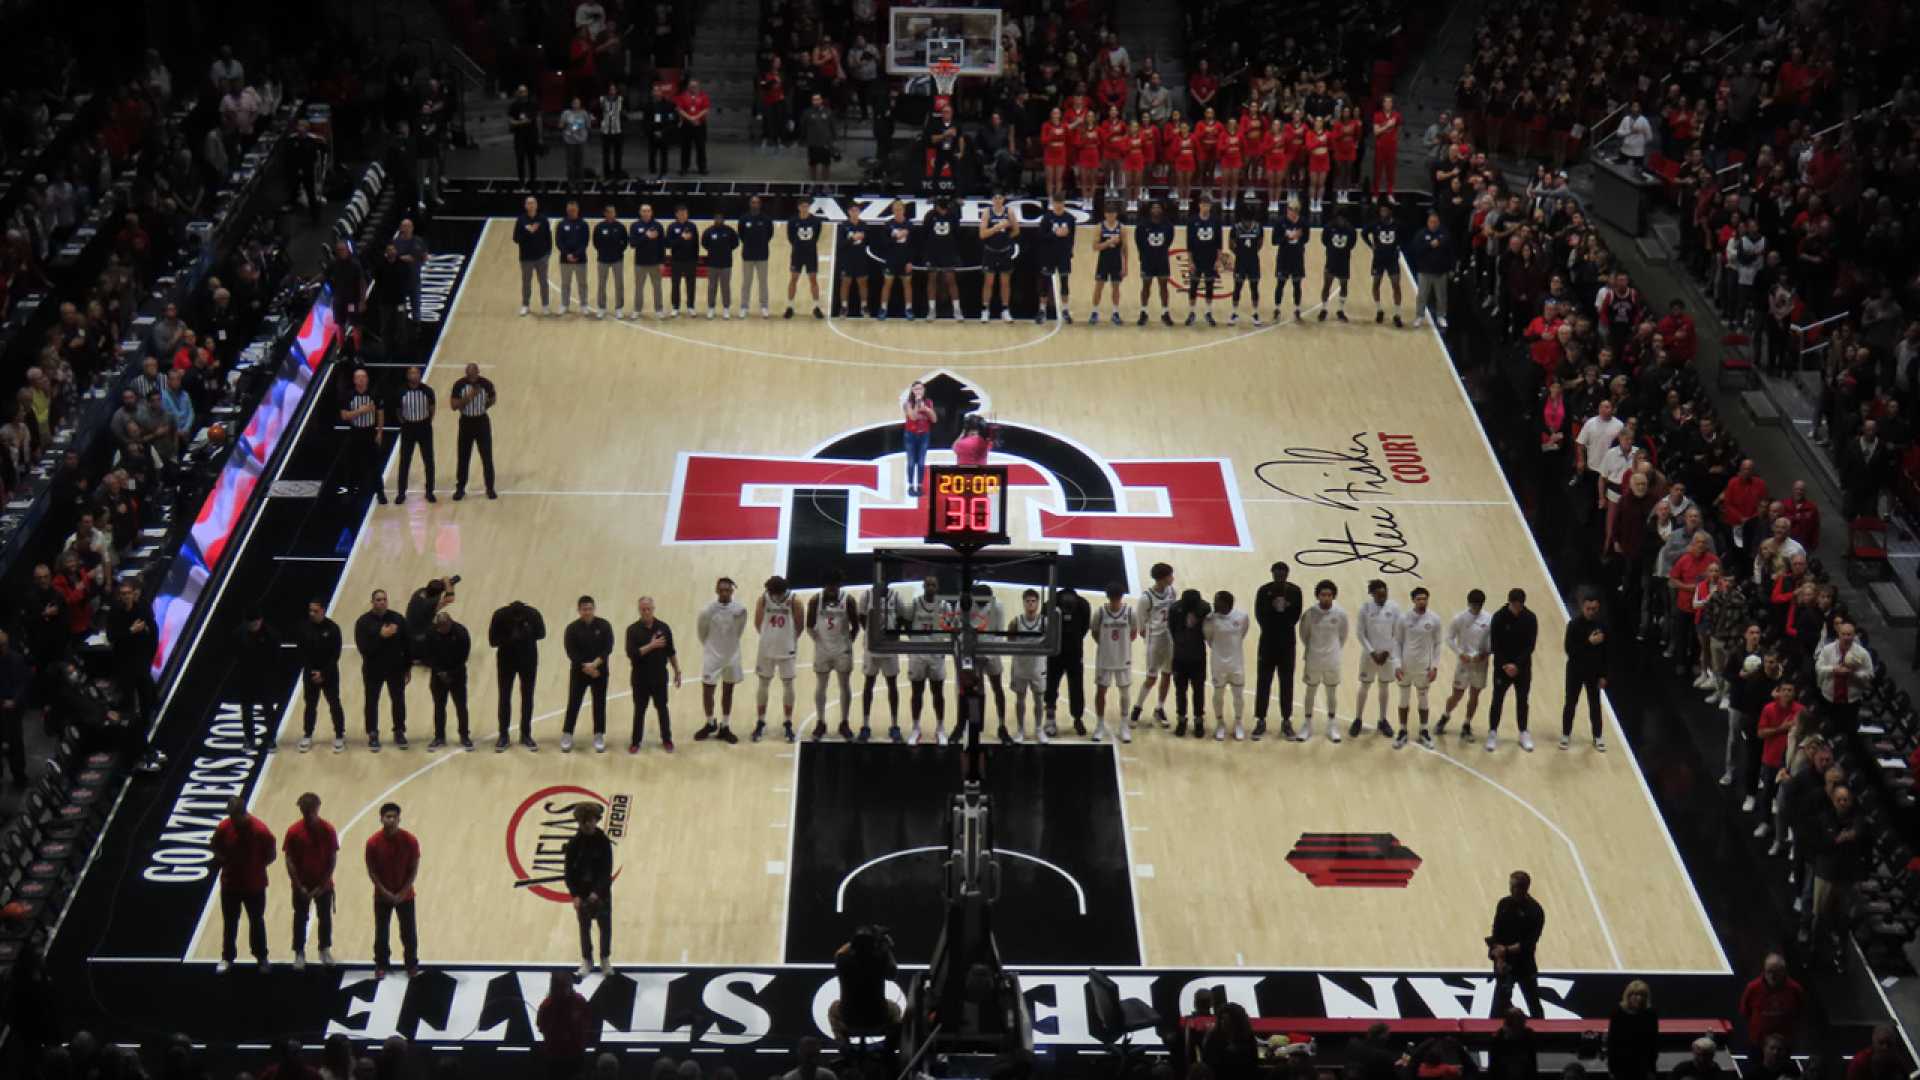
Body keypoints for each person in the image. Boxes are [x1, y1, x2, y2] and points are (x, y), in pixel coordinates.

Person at [210, 795, 276, 974]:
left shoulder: (260, 830)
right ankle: (227, 957)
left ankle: (262, 958)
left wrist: (254, 867)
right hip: (230, 884)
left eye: (233, 816)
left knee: (256, 921)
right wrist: (223, 859)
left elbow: (271, 855)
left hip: (254, 885)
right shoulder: (225, 827)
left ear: (242, 813)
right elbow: (214, 845)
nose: (231, 819)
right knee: (230, 922)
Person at [283, 791, 339, 971]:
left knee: (325, 918)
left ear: (317, 808)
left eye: (310, 810)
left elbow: (332, 858)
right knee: (300, 918)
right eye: (304, 810)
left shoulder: (328, 830)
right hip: (302, 885)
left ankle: (324, 949)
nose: (307, 813)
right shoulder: (293, 832)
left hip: (323, 884)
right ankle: (299, 952)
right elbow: (289, 859)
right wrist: (299, 885)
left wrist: (323, 884)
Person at [365, 802, 420, 979]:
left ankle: (411, 964)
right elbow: (371, 870)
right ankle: (381, 964)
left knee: (409, 932)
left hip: (406, 895)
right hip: (382, 896)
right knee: (381, 932)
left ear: (399, 819)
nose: (391, 820)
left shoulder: (410, 840)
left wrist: (403, 891)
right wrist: (384, 891)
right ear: (381, 819)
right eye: (387, 816)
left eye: (394, 817)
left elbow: (413, 869)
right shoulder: (373, 843)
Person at [621, 595, 680, 753]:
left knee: (662, 709)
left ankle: (667, 740)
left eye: (649, 609)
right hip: (640, 679)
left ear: (653, 609)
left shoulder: (664, 628)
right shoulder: (632, 630)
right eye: (643, 609)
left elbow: (671, 651)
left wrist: (677, 670)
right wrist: (652, 645)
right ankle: (635, 742)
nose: (646, 612)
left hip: (660, 677)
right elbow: (632, 654)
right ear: (639, 610)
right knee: (639, 710)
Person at [1252, 562, 1303, 741]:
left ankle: (1287, 720)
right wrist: (1274, 609)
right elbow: (1259, 615)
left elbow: (1296, 616)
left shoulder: (1295, 592)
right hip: (1267, 642)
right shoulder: (1263, 591)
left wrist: (1284, 610)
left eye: (1282, 574)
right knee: (1263, 682)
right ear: (1272, 574)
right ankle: (1260, 720)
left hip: (1287, 643)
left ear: (1287, 574)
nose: (1279, 576)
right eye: (1276, 573)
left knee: (1287, 682)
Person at [899, 575, 952, 742]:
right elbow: (905, 622)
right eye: (928, 584)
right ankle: (915, 728)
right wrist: (914, 640)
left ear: (937, 587)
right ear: (923, 586)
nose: (930, 587)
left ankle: (941, 728)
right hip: (918, 654)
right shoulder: (915, 603)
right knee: (917, 692)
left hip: (936, 654)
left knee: (938, 693)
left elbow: (951, 626)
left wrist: (943, 643)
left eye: (933, 585)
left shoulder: (944, 605)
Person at [695, 577, 748, 742]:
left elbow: (739, 631)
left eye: (728, 590)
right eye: (722, 590)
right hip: (712, 656)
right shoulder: (707, 611)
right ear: (716, 591)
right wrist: (713, 647)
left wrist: (728, 647)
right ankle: (710, 722)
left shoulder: (740, 610)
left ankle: (725, 726)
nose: (725, 592)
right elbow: (701, 633)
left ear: (732, 591)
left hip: (731, 656)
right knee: (707, 691)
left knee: (728, 691)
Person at [807, 571, 859, 741]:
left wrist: (847, 643)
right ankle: (821, 722)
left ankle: (844, 722)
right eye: (829, 586)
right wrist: (819, 641)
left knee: (844, 685)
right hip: (822, 650)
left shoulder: (848, 600)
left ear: (839, 586)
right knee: (821, 686)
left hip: (842, 650)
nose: (831, 589)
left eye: (834, 586)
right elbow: (809, 626)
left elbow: (856, 627)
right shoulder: (816, 600)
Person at [355, 590, 409, 751]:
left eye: (384, 599)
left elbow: (407, 644)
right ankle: (372, 732)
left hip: (395, 669)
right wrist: (381, 636)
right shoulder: (363, 622)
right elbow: (363, 648)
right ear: (372, 602)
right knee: (371, 702)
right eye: (378, 600)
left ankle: (399, 731)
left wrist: (407, 666)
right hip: (373, 669)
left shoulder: (398, 618)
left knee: (398, 701)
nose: (382, 602)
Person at [564, 802, 614, 975]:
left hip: (601, 894)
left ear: (596, 820)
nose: (587, 824)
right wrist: (575, 895)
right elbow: (568, 873)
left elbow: (606, 871)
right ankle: (587, 960)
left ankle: (605, 959)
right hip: (582, 894)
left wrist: (597, 892)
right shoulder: (573, 845)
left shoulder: (604, 842)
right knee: (584, 929)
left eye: (590, 820)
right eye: (583, 821)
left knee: (605, 927)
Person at [1487, 869, 1545, 1018]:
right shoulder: (1504, 904)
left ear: (1524, 888)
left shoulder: (1535, 912)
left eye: (1514, 887)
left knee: (1534, 1004)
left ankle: (1542, 1034)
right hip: (1504, 963)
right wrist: (1498, 959)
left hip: (1524, 965)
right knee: (1499, 1004)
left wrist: (1504, 951)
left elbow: (1528, 944)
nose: (1511, 889)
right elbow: (1496, 932)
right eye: (1510, 886)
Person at [751, 576, 801, 741]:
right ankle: (761, 721)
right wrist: (769, 637)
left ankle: (787, 722)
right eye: (772, 592)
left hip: (787, 649)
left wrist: (789, 639)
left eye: (778, 593)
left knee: (788, 684)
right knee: (763, 683)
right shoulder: (763, 599)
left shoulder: (794, 600)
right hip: (766, 649)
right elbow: (757, 622)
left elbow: (800, 624)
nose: (775, 595)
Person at [490, 599, 546, 750]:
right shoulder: (500, 616)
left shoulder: (533, 614)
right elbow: (492, 640)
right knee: (504, 697)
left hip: (528, 660)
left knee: (528, 697)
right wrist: (510, 638)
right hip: (506, 661)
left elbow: (542, 633)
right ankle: (503, 735)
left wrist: (527, 635)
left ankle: (526, 734)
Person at [829, 927, 901, 1042]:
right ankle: (889, 1048)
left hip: (849, 1018)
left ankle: (843, 1044)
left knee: (833, 1008)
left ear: (853, 945)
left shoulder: (843, 962)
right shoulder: (880, 960)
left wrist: (854, 942)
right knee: (895, 1009)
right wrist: (885, 946)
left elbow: (839, 953)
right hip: (879, 1017)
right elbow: (893, 973)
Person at [1393, 587, 1444, 749]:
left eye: (1425, 598)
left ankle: (1423, 731)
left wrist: (1434, 667)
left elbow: (1438, 644)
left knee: (1423, 700)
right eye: (1419, 599)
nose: (1422, 601)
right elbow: (1397, 642)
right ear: (1413, 600)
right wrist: (1397, 664)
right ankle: (1402, 731)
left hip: (1424, 668)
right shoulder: (1403, 618)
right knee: (1403, 699)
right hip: (1406, 667)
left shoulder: (1434, 619)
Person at [562, 596, 614, 753]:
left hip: (600, 671)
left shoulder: (604, 625)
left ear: (594, 609)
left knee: (599, 703)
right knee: (574, 702)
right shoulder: (571, 629)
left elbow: (608, 648)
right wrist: (586, 667)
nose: (587, 612)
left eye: (590, 609)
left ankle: (599, 735)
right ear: (579, 610)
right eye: (584, 609)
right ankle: (567, 734)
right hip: (579, 672)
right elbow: (571, 652)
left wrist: (595, 665)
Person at [1298, 580, 1349, 741]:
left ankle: (1332, 724)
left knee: (1331, 692)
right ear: (1317, 596)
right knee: (1310, 691)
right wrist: (1313, 648)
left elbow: (1343, 636)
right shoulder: (1310, 613)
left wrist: (1332, 650)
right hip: (1313, 658)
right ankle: (1307, 724)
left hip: (1332, 659)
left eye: (1329, 595)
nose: (1326, 598)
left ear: (1333, 596)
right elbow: (1304, 635)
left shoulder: (1340, 614)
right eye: (1323, 595)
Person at [105, 580, 158, 728]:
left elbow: (153, 633)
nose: (126, 596)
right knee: (127, 696)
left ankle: (146, 722)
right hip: (124, 661)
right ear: (119, 596)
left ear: (133, 594)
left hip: (141, 659)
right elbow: (111, 637)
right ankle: (130, 726)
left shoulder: (142, 609)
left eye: (128, 593)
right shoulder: (114, 612)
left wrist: (149, 656)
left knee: (144, 694)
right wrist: (130, 631)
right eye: (123, 594)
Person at [1352, 579, 1401, 740]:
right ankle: (1358, 719)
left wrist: (1386, 652)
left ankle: (1382, 719)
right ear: (1372, 594)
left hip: (1388, 656)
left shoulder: (1394, 608)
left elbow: (1398, 633)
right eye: (1379, 594)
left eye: (1384, 593)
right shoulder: (1365, 608)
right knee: (1364, 686)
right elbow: (1360, 633)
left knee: (1384, 686)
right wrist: (1372, 652)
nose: (1382, 596)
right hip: (1369, 656)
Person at [1439, 590, 1491, 740]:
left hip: (1480, 665)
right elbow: (1449, 638)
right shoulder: (1459, 618)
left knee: (1474, 695)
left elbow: (1493, 642)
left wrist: (1485, 653)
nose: (1476, 607)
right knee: (1457, 695)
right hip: (1464, 663)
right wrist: (1460, 653)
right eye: (1474, 605)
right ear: (1469, 603)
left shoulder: (1489, 619)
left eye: (1479, 605)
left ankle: (1467, 724)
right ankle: (1445, 716)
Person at [1132, 562, 1178, 730]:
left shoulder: (1172, 591)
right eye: (1170, 575)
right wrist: (1153, 635)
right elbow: (1141, 627)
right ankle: (1137, 708)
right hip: (1155, 642)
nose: (1173, 578)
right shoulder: (1146, 598)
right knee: (1151, 678)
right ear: (1162, 578)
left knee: (1167, 675)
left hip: (1170, 640)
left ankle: (1159, 708)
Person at [1092, 583, 1139, 743]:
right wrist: (1107, 646)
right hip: (1104, 659)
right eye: (1113, 598)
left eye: (1117, 598)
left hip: (1123, 658)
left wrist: (1122, 646)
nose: (1115, 601)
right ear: (1108, 598)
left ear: (1122, 597)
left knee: (1124, 693)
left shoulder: (1130, 613)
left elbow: (1133, 633)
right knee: (1101, 692)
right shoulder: (1100, 612)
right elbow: (1095, 633)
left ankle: (1124, 725)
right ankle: (1099, 725)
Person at [1562, 592, 1608, 751]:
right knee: (1570, 703)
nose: (1591, 612)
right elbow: (1570, 650)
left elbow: (1606, 653)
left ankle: (1598, 736)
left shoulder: (1602, 626)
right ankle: (1566, 734)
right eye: (1588, 608)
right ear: (1583, 607)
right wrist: (1589, 642)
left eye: (1594, 609)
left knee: (1595, 705)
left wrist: (1604, 675)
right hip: (1575, 670)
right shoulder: (1574, 625)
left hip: (1594, 672)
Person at [231, 608, 281, 751]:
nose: (252, 626)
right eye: (249, 624)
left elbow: (276, 657)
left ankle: (271, 740)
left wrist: (271, 675)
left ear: (260, 621)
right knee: (246, 709)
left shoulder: (271, 634)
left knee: (268, 709)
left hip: (264, 677)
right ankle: (249, 740)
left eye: (255, 623)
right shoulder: (238, 634)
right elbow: (235, 655)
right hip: (246, 677)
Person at [1046, 585, 1092, 737]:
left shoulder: (1084, 606)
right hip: (1055, 653)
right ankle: (1050, 718)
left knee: (1076, 688)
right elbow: (1045, 625)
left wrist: (1074, 641)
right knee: (1051, 686)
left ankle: (1077, 718)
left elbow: (1085, 629)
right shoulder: (1050, 604)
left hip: (1074, 653)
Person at [1204, 590, 1250, 740]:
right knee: (1218, 694)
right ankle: (1220, 723)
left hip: (1236, 663)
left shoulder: (1242, 617)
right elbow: (1208, 639)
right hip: (1218, 664)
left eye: (1217, 602)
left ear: (1227, 604)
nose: (1214, 604)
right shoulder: (1210, 619)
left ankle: (1238, 723)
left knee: (1238, 695)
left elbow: (1242, 634)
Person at [1813, 620, 1872, 737]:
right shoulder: (1827, 650)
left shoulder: (1862, 654)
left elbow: (1869, 675)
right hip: (1829, 698)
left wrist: (1853, 674)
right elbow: (1819, 668)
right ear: (1838, 634)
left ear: (1854, 636)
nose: (1846, 637)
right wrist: (1833, 669)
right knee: (1829, 730)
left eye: (1849, 634)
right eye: (1843, 634)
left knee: (1848, 732)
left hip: (1851, 701)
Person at [424, 611, 472, 751]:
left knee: (461, 706)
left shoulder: (461, 633)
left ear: (450, 623)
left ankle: (464, 736)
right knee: (439, 706)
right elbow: (427, 655)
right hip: (438, 676)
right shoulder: (431, 633)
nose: (442, 629)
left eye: (444, 626)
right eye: (439, 627)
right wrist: (439, 672)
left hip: (457, 675)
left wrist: (450, 673)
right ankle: (439, 737)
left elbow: (463, 657)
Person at [449, 363, 497, 501]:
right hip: (466, 422)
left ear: (478, 372)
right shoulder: (459, 385)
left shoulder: (486, 384)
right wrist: (468, 397)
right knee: (463, 457)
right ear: (466, 373)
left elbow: (492, 399)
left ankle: (490, 488)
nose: (471, 375)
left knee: (487, 456)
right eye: (469, 373)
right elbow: (453, 405)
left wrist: (483, 408)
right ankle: (460, 488)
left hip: (481, 422)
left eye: (473, 373)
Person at [1737, 953, 1806, 1048]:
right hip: (1757, 1042)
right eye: (1769, 972)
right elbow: (1745, 1012)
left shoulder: (1795, 989)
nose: (1772, 976)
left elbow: (1800, 1012)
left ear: (1784, 972)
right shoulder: (1753, 988)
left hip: (1784, 1044)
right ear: (1764, 970)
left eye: (1776, 972)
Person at [1006, 590, 1048, 743]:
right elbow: (1010, 641)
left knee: (1038, 700)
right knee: (1020, 699)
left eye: (1033, 601)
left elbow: (1050, 641)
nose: (1030, 604)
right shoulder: (1016, 622)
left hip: (1038, 667)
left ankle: (1038, 729)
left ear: (1037, 603)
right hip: (1020, 667)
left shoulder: (1044, 622)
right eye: (1028, 601)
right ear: (1023, 603)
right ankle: (1020, 730)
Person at [538, 970, 597, 1079]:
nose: (562, 990)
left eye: (565, 986)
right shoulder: (547, 1006)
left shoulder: (579, 1001)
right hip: (555, 1058)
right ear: (554, 987)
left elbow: (588, 1023)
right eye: (559, 986)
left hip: (576, 1056)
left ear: (570, 985)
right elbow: (542, 1027)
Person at [390, 365, 436, 503]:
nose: (413, 375)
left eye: (416, 372)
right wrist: (405, 423)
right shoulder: (401, 391)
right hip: (408, 428)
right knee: (404, 461)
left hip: (424, 427)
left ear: (419, 375)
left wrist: (426, 421)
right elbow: (398, 411)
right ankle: (401, 493)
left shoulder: (428, 391)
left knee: (428, 460)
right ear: (407, 375)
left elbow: (432, 409)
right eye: (411, 372)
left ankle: (429, 491)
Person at [340, 368, 386, 504]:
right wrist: (361, 411)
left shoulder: (374, 394)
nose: (361, 379)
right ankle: (350, 492)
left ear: (367, 379)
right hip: (355, 432)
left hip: (370, 432)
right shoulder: (348, 395)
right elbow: (344, 416)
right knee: (352, 463)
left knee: (375, 464)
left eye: (363, 377)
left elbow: (380, 413)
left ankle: (380, 493)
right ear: (354, 380)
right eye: (358, 377)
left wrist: (379, 432)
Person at [1168, 589, 1209, 738]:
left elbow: (1207, 630)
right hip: (1180, 657)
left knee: (1198, 690)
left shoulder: (1205, 609)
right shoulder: (1175, 609)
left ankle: (1198, 720)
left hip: (1197, 658)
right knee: (1181, 690)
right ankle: (1182, 719)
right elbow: (1172, 629)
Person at [862, 586, 902, 740]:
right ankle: (865, 725)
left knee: (892, 685)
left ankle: (895, 724)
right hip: (872, 648)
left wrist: (893, 636)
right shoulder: (866, 595)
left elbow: (902, 618)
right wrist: (871, 635)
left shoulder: (895, 595)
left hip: (889, 647)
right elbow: (862, 619)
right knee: (868, 685)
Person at [1606, 981, 1659, 1080]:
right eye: (1634, 994)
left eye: (1641, 995)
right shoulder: (1617, 1013)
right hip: (1621, 1064)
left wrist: (1652, 1069)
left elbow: (1653, 1043)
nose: (1638, 998)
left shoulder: (1651, 1014)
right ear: (1628, 996)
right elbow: (1612, 1042)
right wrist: (1611, 1068)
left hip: (1643, 1064)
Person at [978, 193, 1018, 323]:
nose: (997, 200)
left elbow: (1016, 230)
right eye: (995, 198)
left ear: (1004, 199)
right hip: (990, 251)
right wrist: (997, 228)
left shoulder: (1009, 212)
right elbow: (982, 234)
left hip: (1004, 252)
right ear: (992, 200)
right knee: (988, 282)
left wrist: (1006, 239)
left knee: (1005, 283)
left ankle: (1005, 310)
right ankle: (985, 310)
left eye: (1000, 198)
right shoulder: (987, 212)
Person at [1364, 201, 1405, 326]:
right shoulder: (1375, 224)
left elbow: (1405, 235)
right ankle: (1379, 310)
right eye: (1381, 211)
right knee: (1376, 284)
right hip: (1379, 259)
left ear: (1390, 212)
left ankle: (1397, 314)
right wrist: (1371, 245)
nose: (1383, 213)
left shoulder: (1397, 224)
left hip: (1392, 259)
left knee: (1396, 285)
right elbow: (1363, 233)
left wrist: (1399, 245)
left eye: (1385, 211)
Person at [1135, 200, 1176, 325]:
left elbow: (1169, 241)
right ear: (1150, 210)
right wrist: (1143, 255)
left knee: (1163, 286)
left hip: (1162, 260)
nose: (1156, 210)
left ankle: (1165, 312)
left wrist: (1161, 251)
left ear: (1162, 210)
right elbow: (1139, 242)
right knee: (1146, 286)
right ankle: (1143, 312)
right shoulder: (1142, 225)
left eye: (1158, 207)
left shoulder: (1168, 226)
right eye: (1154, 208)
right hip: (1147, 260)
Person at [1036, 195, 1075, 324]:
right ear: (1053, 203)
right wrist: (1054, 234)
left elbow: (1072, 238)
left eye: (1061, 202)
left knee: (1064, 283)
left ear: (1064, 203)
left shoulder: (1070, 219)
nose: (1058, 205)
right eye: (1056, 203)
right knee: (1045, 283)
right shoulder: (1047, 218)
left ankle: (1065, 310)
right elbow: (1041, 236)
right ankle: (1042, 310)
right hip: (1049, 256)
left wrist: (1070, 251)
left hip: (1063, 255)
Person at [1184, 196, 1223, 326]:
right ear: (1199, 205)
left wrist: (1218, 260)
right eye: (1203, 204)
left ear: (1210, 206)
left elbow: (1219, 243)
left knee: (1209, 286)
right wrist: (1190, 261)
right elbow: (1189, 244)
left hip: (1210, 258)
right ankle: (1191, 312)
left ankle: (1208, 312)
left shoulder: (1216, 221)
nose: (1205, 207)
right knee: (1193, 287)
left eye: (1208, 205)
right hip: (1196, 258)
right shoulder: (1192, 221)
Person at [1411, 212, 1454, 330]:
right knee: (1422, 296)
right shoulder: (1421, 234)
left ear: (1439, 223)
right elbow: (1416, 250)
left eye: (1435, 222)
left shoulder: (1445, 235)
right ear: (1427, 223)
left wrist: (1451, 268)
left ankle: (1441, 316)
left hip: (1440, 272)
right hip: (1424, 272)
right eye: (1431, 222)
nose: (1433, 224)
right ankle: (1419, 316)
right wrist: (1430, 245)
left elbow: (1450, 252)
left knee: (1441, 296)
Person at [875, 201, 916, 321]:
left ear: (904, 210)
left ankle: (909, 309)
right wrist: (896, 237)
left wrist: (910, 261)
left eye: (900, 209)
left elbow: (913, 246)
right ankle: (883, 308)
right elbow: (884, 244)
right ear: (893, 211)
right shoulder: (888, 225)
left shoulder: (910, 225)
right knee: (887, 284)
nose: (898, 212)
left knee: (907, 284)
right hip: (891, 260)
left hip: (905, 260)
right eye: (895, 210)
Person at [1087, 204, 1128, 325]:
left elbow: (1125, 249)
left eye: (1113, 213)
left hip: (1116, 262)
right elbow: (1095, 247)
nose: (1111, 216)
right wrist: (1108, 242)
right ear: (1105, 214)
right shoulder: (1099, 227)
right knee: (1099, 286)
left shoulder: (1122, 228)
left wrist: (1126, 266)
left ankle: (1115, 313)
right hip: (1103, 261)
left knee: (1116, 287)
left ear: (1116, 214)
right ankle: (1094, 312)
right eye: (1108, 213)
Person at [784, 200, 824, 320]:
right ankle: (790, 307)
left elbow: (816, 236)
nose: (805, 208)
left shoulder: (816, 221)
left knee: (813, 280)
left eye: (807, 206)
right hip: (797, 254)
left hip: (811, 254)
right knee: (793, 279)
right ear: (798, 207)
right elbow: (790, 237)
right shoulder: (792, 221)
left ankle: (816, 307)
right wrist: (799, 245)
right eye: (802, 206)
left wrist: (808, 245)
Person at [514, 196, 554, 317]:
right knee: (526, 282)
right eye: (528, 203)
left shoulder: (543, 220)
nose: (531, 205)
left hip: (541, 257)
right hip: (526, 258)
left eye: (533, 203)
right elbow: (516, 238)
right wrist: (528, 231)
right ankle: (525, 305)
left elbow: (549, 238)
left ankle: (545, 305)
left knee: (543, 282)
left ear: (536, 205)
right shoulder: (521, 220)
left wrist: (547, 254)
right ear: (525, 206)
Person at [738, 195, 775, 318]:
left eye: (757, 202)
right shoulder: (743, 219)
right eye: (753, 202)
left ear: (760, 204)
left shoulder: (766, 219)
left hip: (762, 255)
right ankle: (744, 306)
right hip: (747, 255)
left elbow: (770, 234)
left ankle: (764, 306)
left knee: (763, 282)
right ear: (750, 204)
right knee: (746, 282)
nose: (755, 204)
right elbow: (741, 234)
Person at [1318, 206, 1357, 323]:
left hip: (1344, 261)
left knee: (1344, 286)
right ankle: (1324, 308)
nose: (1340, 220)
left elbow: (1352, 244)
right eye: (1338, 218)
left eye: (1342, 219)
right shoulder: (1329, 227)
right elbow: (1324, 241)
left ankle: (1340, 310)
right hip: (1331, 260)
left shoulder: (1351, 230)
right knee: (1327, 285)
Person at [629, 203, 667, 320]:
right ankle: (637, 310)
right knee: (639, 288)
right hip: (640, 264)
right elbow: (633, 244)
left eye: (648, 211)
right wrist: (646, 236)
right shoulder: (635, 226)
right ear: (640, 212)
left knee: (657, 288)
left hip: (655, 263)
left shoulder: (658, 226)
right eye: (644, 211)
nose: (646, 213)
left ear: (651, 212)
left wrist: (662, 262)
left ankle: (659, 310)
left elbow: (662, 246)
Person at [1229, 205, 1265, 325]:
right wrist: (1240, 254)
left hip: (1253, 261)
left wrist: (1251, 253)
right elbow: (1231, 245)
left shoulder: (1258, 228)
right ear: (1242, 219)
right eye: (1246, 221)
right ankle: (1234, 313)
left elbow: (1260, 243)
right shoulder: (1236, 228)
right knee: (1237, 288)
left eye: (1249, 221)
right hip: (1240, 262)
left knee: (1254, 288)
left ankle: (1255, 313)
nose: (1248, 223)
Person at [592, 204, 629, 319]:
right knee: (601, 285)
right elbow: (595, 242)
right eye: (609, 212)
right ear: (605, 213)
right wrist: (603, 252)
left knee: (619, 284)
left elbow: (625, 242)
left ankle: (619, 308)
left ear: (615, 213)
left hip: (617, 260)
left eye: (613, 212)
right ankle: (601, 308)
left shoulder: (620, 227)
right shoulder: (599, 227)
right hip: (603, 260)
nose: (611, 214)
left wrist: (618, 251)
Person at [701, 208, 739, 318]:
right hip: (712, 264)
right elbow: (704, 243)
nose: (718, 219)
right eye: (716, 218)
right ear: (714, 219)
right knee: (712, 287)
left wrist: (726, 250)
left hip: (726, 264)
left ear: (723, 219)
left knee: (725, 287)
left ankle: (726, 308)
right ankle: (711, 308)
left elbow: (735, 243)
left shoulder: (729, 231)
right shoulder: (709, 231)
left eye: (720, 218)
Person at [556, 200, 591, 315]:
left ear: (577, 210)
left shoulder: (583, 224)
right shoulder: (561, 224)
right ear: (567, 210)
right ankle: (564, 305)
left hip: (580, 260)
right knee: (565, 283)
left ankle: (584, 305)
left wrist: (575, 255)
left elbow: (585, 242)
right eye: (570, 210)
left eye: (574, 210)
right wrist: (567, 254)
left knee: (582, 284)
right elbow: (559, 242)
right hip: (565, 260)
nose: (572, 212)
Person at [902, 381, 936, 497]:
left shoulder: (928, 402)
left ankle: (920, 485)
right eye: (916, 389)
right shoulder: (907, 403)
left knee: (921, 462)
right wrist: (917, 405)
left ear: (924, 390)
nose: (918, 391)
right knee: (911, 462)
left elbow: (934, 419)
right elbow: (913, 417)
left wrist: (926, 409)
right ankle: (911, 485)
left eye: (920, 389)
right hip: (910, 435)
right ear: (912, 391)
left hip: (924, 435)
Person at [665, 205, 701, 316]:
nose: (683, 215)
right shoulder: (671, 227)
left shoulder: (692, 226)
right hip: (676, 261)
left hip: (690, 261)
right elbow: (668, 244)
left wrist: (696, 259)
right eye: (680, 213)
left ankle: (690, 306)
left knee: (691, 284)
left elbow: (696, 245)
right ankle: (675, 307)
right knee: (675, 284)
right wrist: (681, 238)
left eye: (685, 213)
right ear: (676, 214)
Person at [676, 78, 711, 175]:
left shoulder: (704, 96)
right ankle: (684, 168)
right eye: (691, 86)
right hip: (686, 126)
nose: (693, 88)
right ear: (688, 87)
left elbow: (706, 109)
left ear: (698, 86)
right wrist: (690, 118)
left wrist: (695, 117)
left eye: (695, 86)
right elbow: (679, 110)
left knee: (701, 147)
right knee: (685, 147)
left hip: (700, 125)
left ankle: (702, 168)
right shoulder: (682, 96)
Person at [508, 85, 541, 185]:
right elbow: (510, 120)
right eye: (520, 92)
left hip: (531, 136)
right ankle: (521, 181)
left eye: (524, 91)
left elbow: (531, 120)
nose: (522, 94)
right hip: (519, 137)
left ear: (527, 92)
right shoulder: (514, 105)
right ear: (518, 93)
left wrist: (517, 122)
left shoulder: (532, 104)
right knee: (520, 159)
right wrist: (520, 122)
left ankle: (533, 180)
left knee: (532, 159)